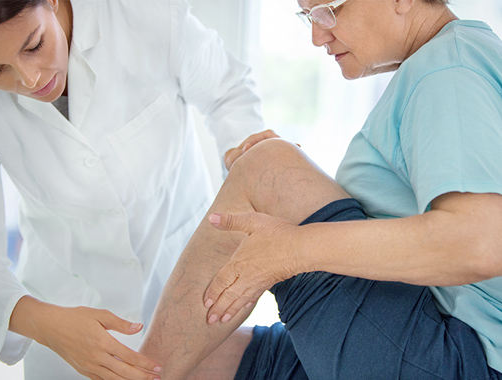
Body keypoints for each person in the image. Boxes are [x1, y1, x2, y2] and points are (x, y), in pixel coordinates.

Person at [138, 0, 502, 378]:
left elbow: (478, 242)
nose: (316, 36)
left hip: (459, 356)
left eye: (329, 9)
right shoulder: (458, 59)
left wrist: (290, 248)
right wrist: (295, 191)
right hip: (434, 336)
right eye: (308, 16)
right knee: (200, 363)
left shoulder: (447, 70)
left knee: (268, 166)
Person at [0, 0, 276, 379]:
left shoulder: (142, 15)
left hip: (184, 285)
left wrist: (241, 152)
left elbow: (228, 91)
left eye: (34, 45)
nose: (30, 79)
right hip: (65, 314)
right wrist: (48, 325)